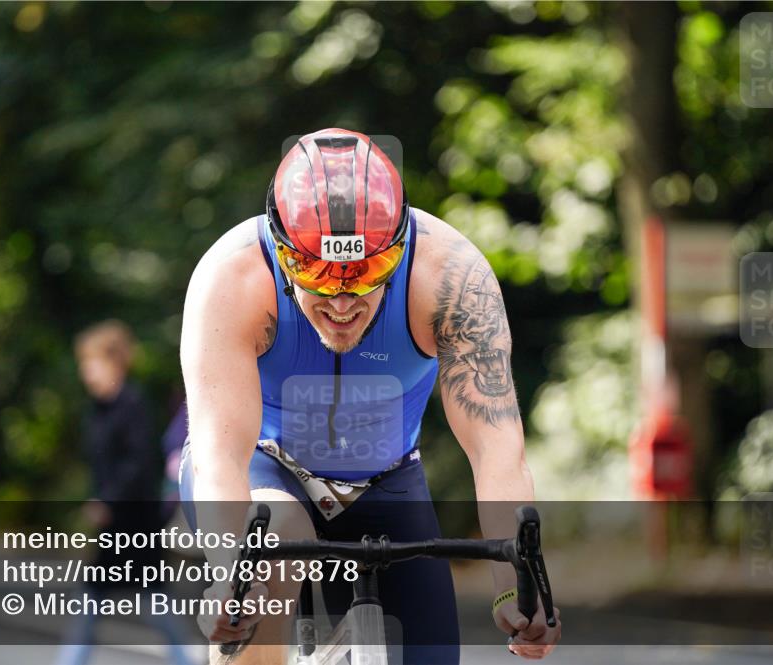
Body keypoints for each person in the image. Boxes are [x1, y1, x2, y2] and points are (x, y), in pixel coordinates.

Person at [179, 129, 562, 664]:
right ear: (284, 257)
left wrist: (515, 583)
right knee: (270, 549)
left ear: (400, 248)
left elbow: (495, 447)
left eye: (368, 273)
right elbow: (221, 457)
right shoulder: (232, 277)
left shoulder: (451, 276)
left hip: (385, 478)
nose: (343, 301)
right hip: (266, 470)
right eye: (316, 274)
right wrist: (228, 578)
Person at [55, 320, 196, 665]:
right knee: (100, 600)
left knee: (147, 603)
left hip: (135, 526)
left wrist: (107, 502)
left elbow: (138, 465)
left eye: (91, 364)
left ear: (113, 363)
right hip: (115, 528)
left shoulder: (132, 406)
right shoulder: (98, 410)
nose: (86, 373)